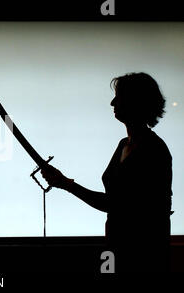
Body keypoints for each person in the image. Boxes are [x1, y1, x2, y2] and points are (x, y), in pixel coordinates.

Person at [40, 72, 172, 272]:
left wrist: (66, 184)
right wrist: (64, 182)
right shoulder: (123, 145)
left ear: (134, 102)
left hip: (141, 255)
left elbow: (116, 204)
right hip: (114, 247)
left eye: (118, 97)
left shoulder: (153, 150)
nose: (112, 103)